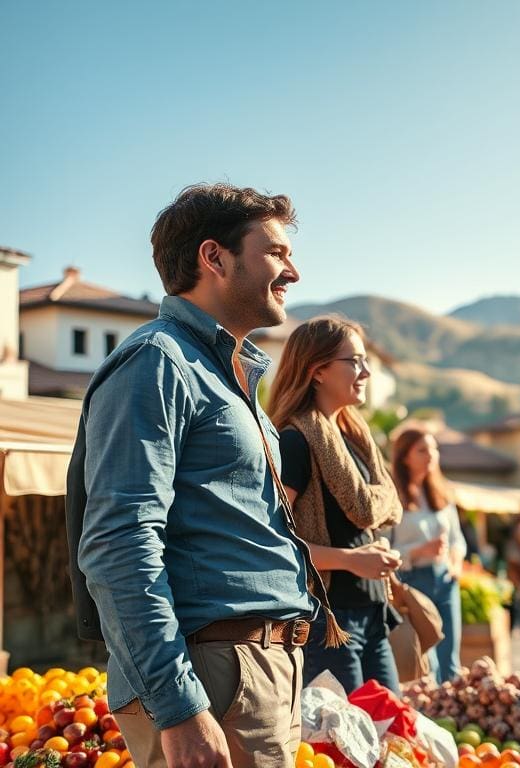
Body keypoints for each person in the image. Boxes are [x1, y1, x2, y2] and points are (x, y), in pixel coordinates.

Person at [69, 183, 335, 768]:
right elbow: (119, 541)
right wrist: (180, 707)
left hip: (250, 672)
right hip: (213, 675)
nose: (292, 270)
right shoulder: (157, 362)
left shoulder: (222, 372)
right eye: (275, 253)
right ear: (214, 258)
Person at [270, 315, 405, 694]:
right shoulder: (295, 444)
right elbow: (273, 544)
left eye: (367, 362)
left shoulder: (355, 440)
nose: (365, 372)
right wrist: (351, 560)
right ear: (317, 371)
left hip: (373, 616)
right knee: (343, 749)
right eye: (355, 361)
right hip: (329, 624)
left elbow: (381, 506)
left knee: (392, 741)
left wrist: (372, 551)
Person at [389, 426, 467, 682]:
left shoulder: (442, 493)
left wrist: (455, 562)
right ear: (404, 457)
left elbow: (457, 539)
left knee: (450, 659)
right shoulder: (393, 498)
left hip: (445, 580)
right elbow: (383, 548)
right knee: (425, 662)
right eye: (422, 449)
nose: (431, 454)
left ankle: (453, 717)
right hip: (412, 583)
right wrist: (418, 551)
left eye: (434, 448)